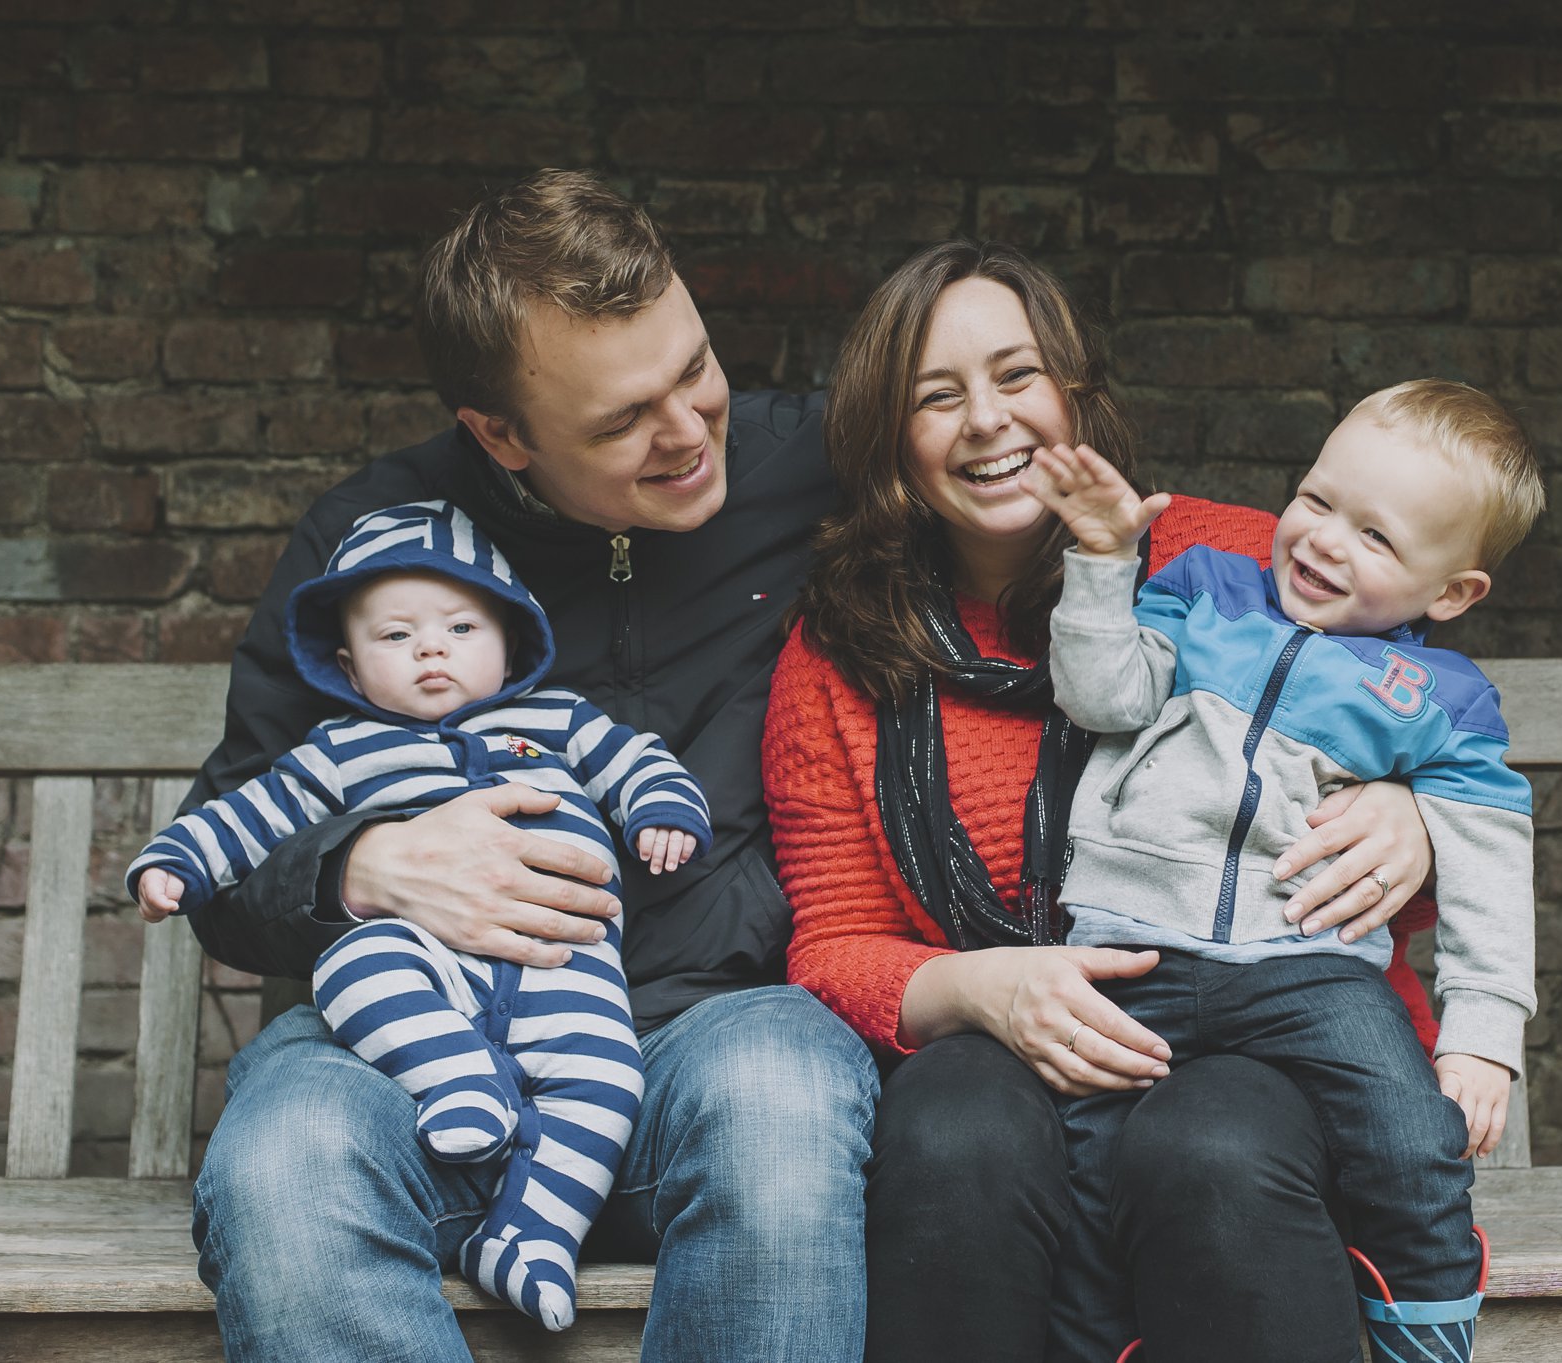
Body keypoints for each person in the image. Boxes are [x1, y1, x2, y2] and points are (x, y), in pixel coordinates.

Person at [179, 170, 878, 1363]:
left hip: (699, 1030)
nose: (686, 432)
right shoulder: (371, 542)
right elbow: (220, 862)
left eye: (694, 370)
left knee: (783, 1093)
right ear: (497, 433)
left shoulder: (812, 466)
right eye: (620, 421)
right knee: (283, 1163)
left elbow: (1071, 507)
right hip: (410, 1046)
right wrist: (365, 864)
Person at [762, 239, 1448, 1363]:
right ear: (890, 439)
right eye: (937, 397)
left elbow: (1429, 718)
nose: (988, 420)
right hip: (999, 1056)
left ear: (1072, 392)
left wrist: (1410, 814)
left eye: (1016, 376)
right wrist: (981, 986)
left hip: (1255, 1027)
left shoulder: (1224, 565)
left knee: (1209, 1141)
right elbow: (833, 942)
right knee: (951, 1121)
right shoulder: (844, 650)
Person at [1023, 377, 1546, 1362]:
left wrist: (1482, 1039)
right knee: (1088, 1168)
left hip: (1303, 964)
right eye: (1315, 499)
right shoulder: (1204, 589)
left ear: (1451, 592)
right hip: (1130, 949)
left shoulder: (1442, 701)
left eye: (1376, 537)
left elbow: (1485, 867)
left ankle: (1427, 1322)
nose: (1322, 540)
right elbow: (1100, 699)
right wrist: (1101, 564)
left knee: (1408, 1124)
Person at [130, 499, 712, 1331]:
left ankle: (530, 1235)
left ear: (511, 639)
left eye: (461, 627)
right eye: (395, 635)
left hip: (565, 964)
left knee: (609, 1078)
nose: (431, 648)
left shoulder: (557, 721)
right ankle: (458, 1080)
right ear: (348, 664)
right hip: (429, 963)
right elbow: (247, 815)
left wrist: (660, 809)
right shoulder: (339, 749)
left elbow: (639, 760)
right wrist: (175, 860)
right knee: (352, 965)